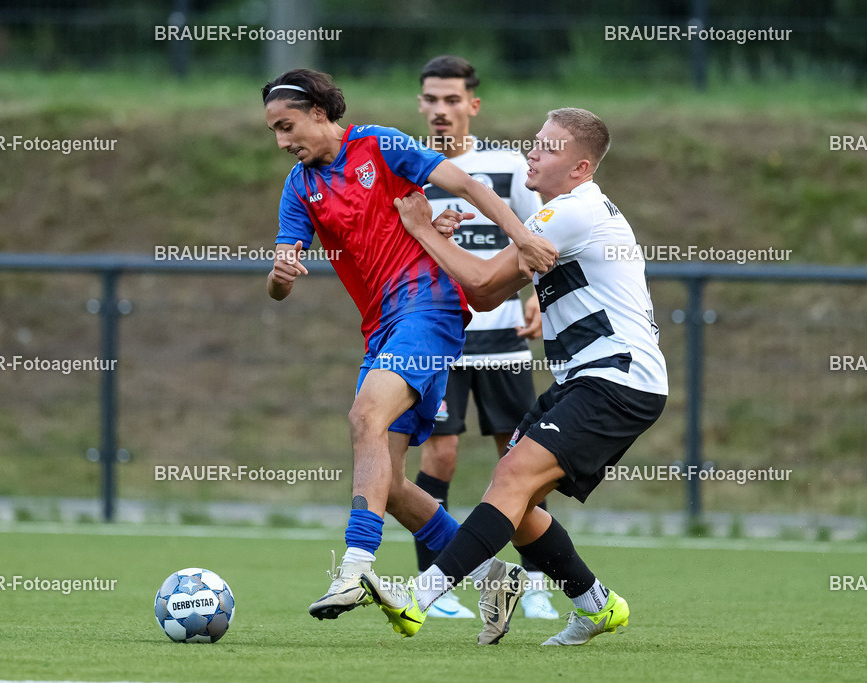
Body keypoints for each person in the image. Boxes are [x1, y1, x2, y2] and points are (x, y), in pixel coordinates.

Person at [360, 107, 668, 646]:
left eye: (549, 147)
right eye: (534, 142)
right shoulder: (563, 214)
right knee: (516, 502)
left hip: (617, 378)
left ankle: (420, 597)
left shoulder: (568, 212)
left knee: (509, 481)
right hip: (589, 379)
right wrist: (434, 238)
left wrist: (418, 230)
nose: (533, 152)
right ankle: (596, 604)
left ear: (581, 167)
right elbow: (486, 293)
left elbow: (479, 286)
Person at [262, 68, 558, 622]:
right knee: (392, 484)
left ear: (321, 114)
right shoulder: (300, 187)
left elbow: (468, 185)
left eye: (287, 126)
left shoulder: (380, 143)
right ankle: (494, 572)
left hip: (430, 309)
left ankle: (353, 568)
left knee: (364, 416)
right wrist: (281, 272)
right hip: (382, 328)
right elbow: (278, 288)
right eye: (274, 132)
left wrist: (521, 236)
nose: (282, 142)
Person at [411, 55, 557, 621]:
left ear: (473, 104)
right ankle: (435, 583)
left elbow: (542, 234)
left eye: (452, 100)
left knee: (519, 461)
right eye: (432, 100)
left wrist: (540, 301)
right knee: (441, 454)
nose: (441, 110)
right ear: (420, 105)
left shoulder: (502, 167)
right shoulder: (409, 168)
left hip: (502, 341)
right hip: (438, 338)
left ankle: (538, 581)